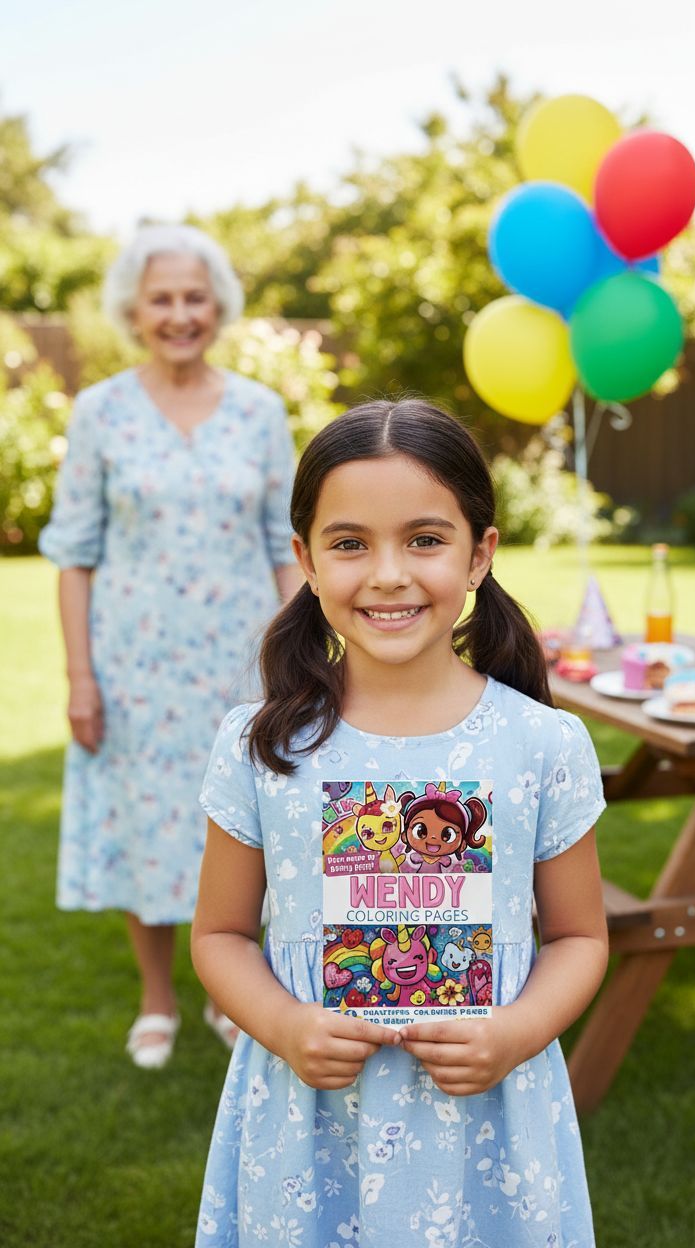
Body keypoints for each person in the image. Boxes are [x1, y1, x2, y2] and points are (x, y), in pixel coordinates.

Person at [191, 398, 609, 1247]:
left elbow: (581, 938)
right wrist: (285, 1025)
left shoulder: (543, 744)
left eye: (424, 539)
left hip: (489, 1119)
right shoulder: (259, 744)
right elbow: (220, 935)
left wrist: (514, 1033)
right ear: (306, 560)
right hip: (309, 1124)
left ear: (480, 553)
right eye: (350, 544)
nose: (388, 574)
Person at [39, 223, 302, 1069]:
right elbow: (73, 555)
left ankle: (234, 996)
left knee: (244, 830)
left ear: (217, 305)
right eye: (163, 298)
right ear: (134, 310)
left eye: (195, 297)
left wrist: (301, 662)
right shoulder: (100, 411)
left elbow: (284, 548)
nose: (180, 313)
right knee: (147, 830)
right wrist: (82, 678)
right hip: (134, 665)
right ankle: (158, 999)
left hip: (240, 664)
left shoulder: (261, 411)